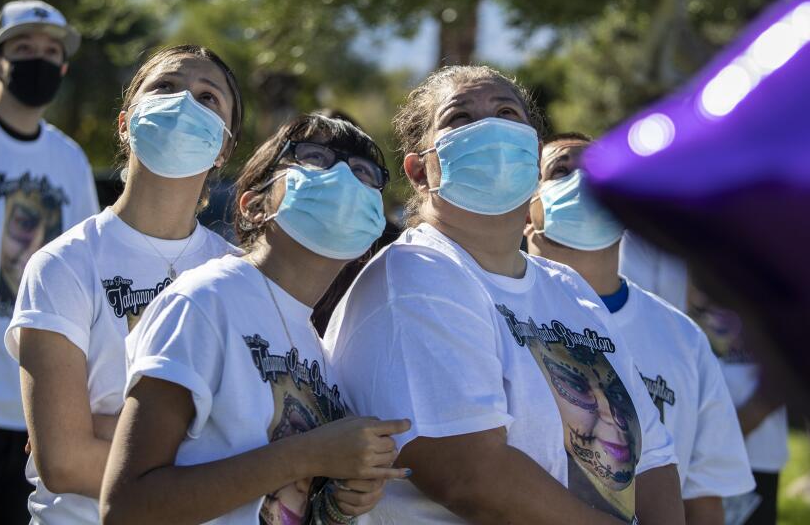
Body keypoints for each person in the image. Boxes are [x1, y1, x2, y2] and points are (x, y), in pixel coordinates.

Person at [323, 65, 683, 524]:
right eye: (460, 118)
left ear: (533, 155)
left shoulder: (567, 287)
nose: (490, 127)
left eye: (507, 112)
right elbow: (470, 476)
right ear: (418, 171)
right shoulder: (415, 275)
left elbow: (650, 455)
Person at [99, 114, 411, 524]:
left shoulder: (322, 355)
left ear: (369, 231)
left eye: (363, 173)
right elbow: (125, 506)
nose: (343, 178)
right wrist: (311, 454)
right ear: (252, 206)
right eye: (314, 157)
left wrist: (338, 499)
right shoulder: (203, 302)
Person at [3, 44, 243, 524]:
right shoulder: (63, 264)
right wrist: (230, 466)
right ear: (126, 121)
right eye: (166, 88)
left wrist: (104, 432)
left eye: (207, 97)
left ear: (224, 147)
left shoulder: (241, 275)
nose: (183, 104)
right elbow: (65, 463)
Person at [525, 133, 756, 525]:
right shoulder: (500, 310)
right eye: (561, 170)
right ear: (529, 206)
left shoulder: (684, 339)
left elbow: (702, 499)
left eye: (595, 173)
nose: (581, 182)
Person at [0, 0, 98, 524]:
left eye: (51, 52)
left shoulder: (69, 159)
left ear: (64, 69)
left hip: (37, 422)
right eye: (24, 49)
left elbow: (86, 277)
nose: (39, 61)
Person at [620, 232, 788, 525]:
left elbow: (793, 342)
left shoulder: (771, 232)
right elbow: (633, 333)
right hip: (667, 451)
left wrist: (738, 423)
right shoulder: (644, 233)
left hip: (757, 453)